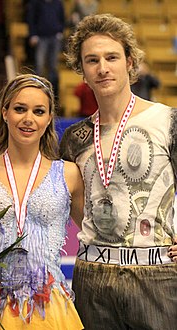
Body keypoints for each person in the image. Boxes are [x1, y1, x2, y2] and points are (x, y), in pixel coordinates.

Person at [60, 13, 177, 330]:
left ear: (130, 62)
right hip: (92, 276)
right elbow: (76, 204)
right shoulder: (74, 138)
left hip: (157, 276)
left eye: (111, 57)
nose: (102, 68)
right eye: (91, 60)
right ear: (81, 71)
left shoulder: (168, 121)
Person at [0, 73, 84, 329]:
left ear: (49, 119)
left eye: (39, 111)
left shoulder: (70, 174)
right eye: (19, 109)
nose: (28, 119)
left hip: (52, 310)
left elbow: (101, 233)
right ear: (5, 112)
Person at [26, 0, 65, 100]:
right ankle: (35, 94)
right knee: (39, 66)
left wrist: (60, 31)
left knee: (53, 67)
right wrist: (33, 34)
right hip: (41, 37)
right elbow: (31, 19)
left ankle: (53, 96)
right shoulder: (36, 3)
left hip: (54, 37)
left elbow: (62, 18)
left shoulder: (58, 3)